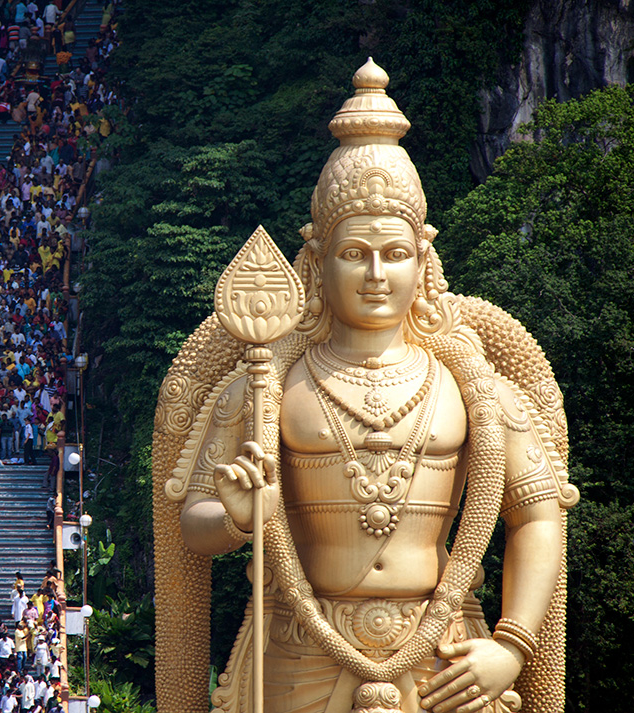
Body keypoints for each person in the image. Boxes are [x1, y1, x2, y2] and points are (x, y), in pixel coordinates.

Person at [156, 60, 578, 713]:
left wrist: (513, 643)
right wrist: (240, 515)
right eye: (355, 253)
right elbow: (193, 524)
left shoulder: (474, 386)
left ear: (424, 253)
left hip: (443, 658)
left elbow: (537, 514)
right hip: (300, 655)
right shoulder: (266, 384)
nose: (376, 273)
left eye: (395, 253)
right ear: (318, 256)